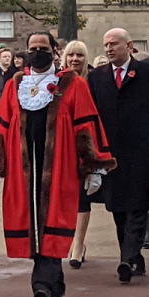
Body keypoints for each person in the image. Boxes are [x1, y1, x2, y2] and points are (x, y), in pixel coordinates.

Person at [0, 31, 115, 297]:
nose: (37, 52)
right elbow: (2, 123)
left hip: (59, 166)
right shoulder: (15, 84)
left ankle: (41, 283)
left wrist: (94, 166)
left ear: (54, 51)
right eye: (33, 48)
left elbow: (86, 125)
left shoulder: (73, 84)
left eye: (43, 48)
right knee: (30, 221)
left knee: (54, 218)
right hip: (24, 168)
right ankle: (53, 280)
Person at [87, 29, 149, 284]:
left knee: (137, 206)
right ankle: (133, 256)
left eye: (114, 44)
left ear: (129, 46)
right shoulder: (97, 78)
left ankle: (126, 259)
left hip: (142, 151)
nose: (109, 49)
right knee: (118, 208)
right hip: (111, 154)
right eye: (106, 45)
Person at [60, 41, 93, 268]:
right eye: (71, 55)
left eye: (80, 55)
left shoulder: (95, 81)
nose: (75, 59)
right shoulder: (58, 82)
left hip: (86, 146)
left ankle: (78, 245)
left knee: (83, 197)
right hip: (62, 147)